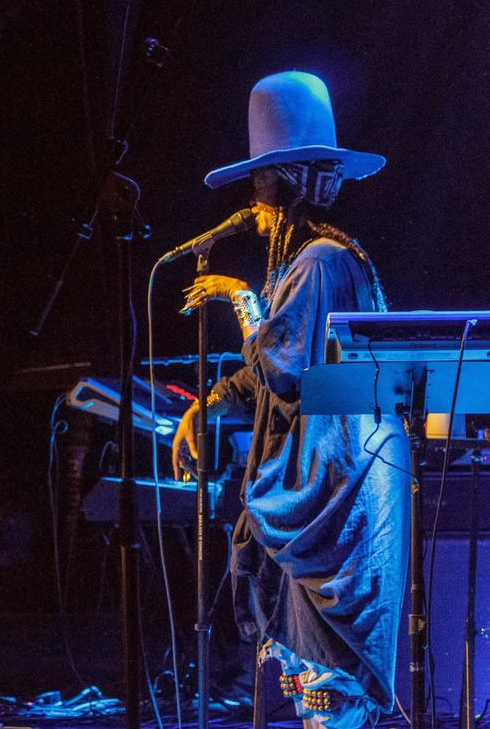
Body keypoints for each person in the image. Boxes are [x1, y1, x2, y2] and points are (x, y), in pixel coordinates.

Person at [171, 71, 409, 729]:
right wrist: (204, 406)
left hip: (335, 496)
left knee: (331, 688)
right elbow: (269, 377)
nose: (256, 202)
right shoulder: (308, 264)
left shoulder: (321, 263)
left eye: (261, 184)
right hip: (324, 493)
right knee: (314, 686)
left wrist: (242, 301)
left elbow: (283, 370)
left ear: (289, 183)